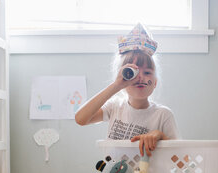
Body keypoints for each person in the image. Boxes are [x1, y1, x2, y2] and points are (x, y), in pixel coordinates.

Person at [75, 23, 179, 156]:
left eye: (147, 72)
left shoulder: (163, 115)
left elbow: (179, 160)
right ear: (123, 76)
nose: (140, 77)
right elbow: (80, 119)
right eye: (133, 72)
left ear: (155, 83)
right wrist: (116, 86)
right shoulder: (114, 107)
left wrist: (160, 136)